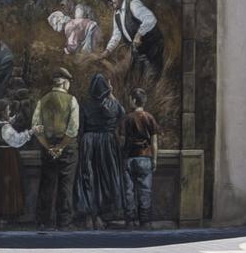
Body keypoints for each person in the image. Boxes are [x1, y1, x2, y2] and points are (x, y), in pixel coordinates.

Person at [74, 73, 126, 230]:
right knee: (105, 178)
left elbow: (80, 129)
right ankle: (102, 217)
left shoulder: (85, 105)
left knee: (88, 178)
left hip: (88, 142)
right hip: (107, 143)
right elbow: (122, 114)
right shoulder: (113, 105)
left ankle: (90, 217)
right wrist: (111, 93)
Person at [32, 68, 80, 230]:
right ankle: (64, 222)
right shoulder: (72, 100)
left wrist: (49, 147)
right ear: (65, 82)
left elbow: (36, 128)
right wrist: (60, 147)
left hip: (47, 148)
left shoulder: (42, 100)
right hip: (67, 149)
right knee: (66, 185)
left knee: (47, 184)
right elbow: (73, 129)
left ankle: (43, 221)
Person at [0, 100, 33, 225]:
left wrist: (12, 119)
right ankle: (5, 216)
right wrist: (31, 132)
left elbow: (6, 126)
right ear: (2, 113)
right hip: (8, 158)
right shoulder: (6, 128)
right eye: (7, 110)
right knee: (8, 186)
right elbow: (17, 140)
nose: (9, 112)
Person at [119, 88, 161, 228]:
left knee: (128, 191)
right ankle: (145, 221)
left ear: (133, 100)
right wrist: (154, 159)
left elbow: (122, 141)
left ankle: (130, 221)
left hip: (129, 158)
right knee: (145, 190)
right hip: (145, 158)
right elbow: (154, 142)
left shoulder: (127, 118)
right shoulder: (149, 118)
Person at [103, 0, 165, 80]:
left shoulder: (133, 4)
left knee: (152, 76)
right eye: (109, 1)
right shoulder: (116, 14)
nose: (111, 3)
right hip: (138, 49)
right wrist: (107, 51)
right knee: (136, 77)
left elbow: (150, 18)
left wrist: (139, 34)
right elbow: (116, 35)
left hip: (152, 45)